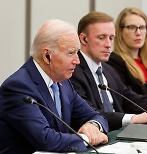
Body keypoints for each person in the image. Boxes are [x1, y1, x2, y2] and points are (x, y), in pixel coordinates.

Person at [0, 19, 109, 154]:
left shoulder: (63, 82)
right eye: (70, 53)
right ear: (47, 56)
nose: (77, 61)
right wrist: (87, 138)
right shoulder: (18, 87)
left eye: (77, 52)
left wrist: (92, 126)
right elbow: (45, 139)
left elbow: (95, 115)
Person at [70, 11, 147, 131]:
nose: (108, 44)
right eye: (101, 38)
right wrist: (133, 119)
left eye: (111, 38)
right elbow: (88, 112)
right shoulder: (73, 70)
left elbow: (132, 99)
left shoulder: (108, 69)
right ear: (83, 39)